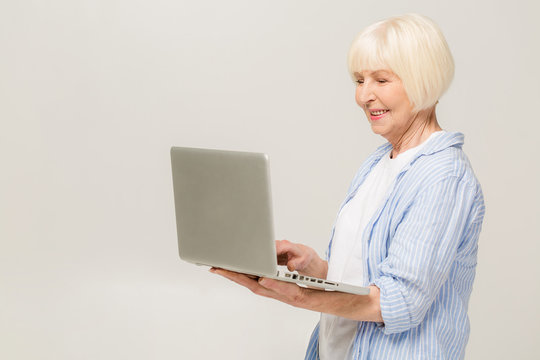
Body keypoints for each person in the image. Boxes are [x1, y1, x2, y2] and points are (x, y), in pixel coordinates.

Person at [211, 13, 485, 359]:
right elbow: (369, 279)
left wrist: (300, 296)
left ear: (424, 81)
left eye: (381, 80)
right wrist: (315, 270)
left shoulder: (443, 176)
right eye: (359, 80)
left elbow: (400, 300)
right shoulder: (380, 162)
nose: (364, 96)